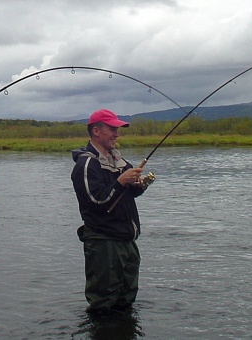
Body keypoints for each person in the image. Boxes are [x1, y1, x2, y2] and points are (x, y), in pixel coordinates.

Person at [70, 108, 150, 315]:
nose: (117, 134)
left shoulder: (119, 161)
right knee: (103, 304)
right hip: (103, 243)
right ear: (96, 131)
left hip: (126, 241)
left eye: (117, 129)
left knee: (126, 301)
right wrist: (120, 181)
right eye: (112, 129)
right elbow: (97, 201)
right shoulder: (86, 164)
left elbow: (127, 195)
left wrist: (138, 185)